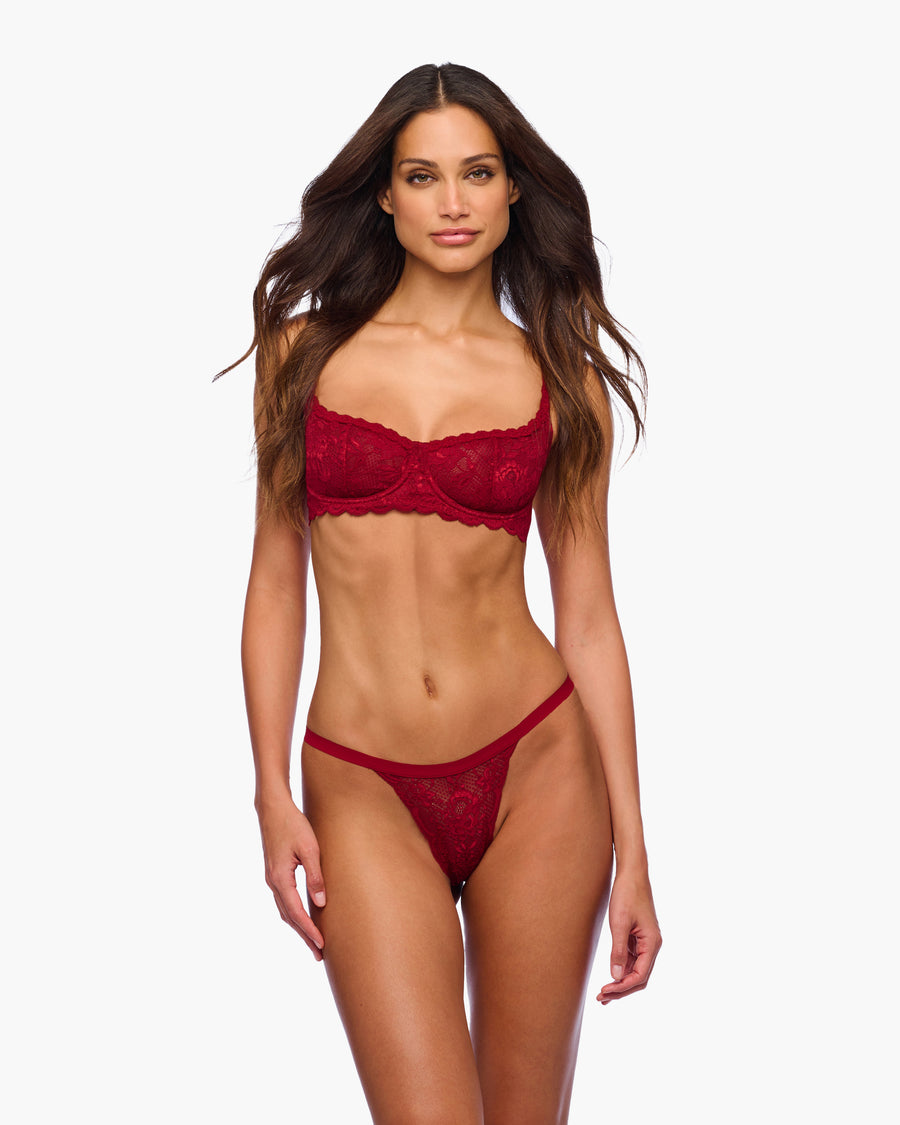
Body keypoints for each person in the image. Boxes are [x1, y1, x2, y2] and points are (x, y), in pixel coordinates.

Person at [219, 62, 661, 1125]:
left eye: (478, 173)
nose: (452, 202)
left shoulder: (562, 378)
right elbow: (275, 585)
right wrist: (270, 791)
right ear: (384, 194)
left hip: (539, 773)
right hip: (361, 782)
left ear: (514, 191)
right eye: (423, 176)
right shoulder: (302, 356)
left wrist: (636, 852)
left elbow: (589, 618)